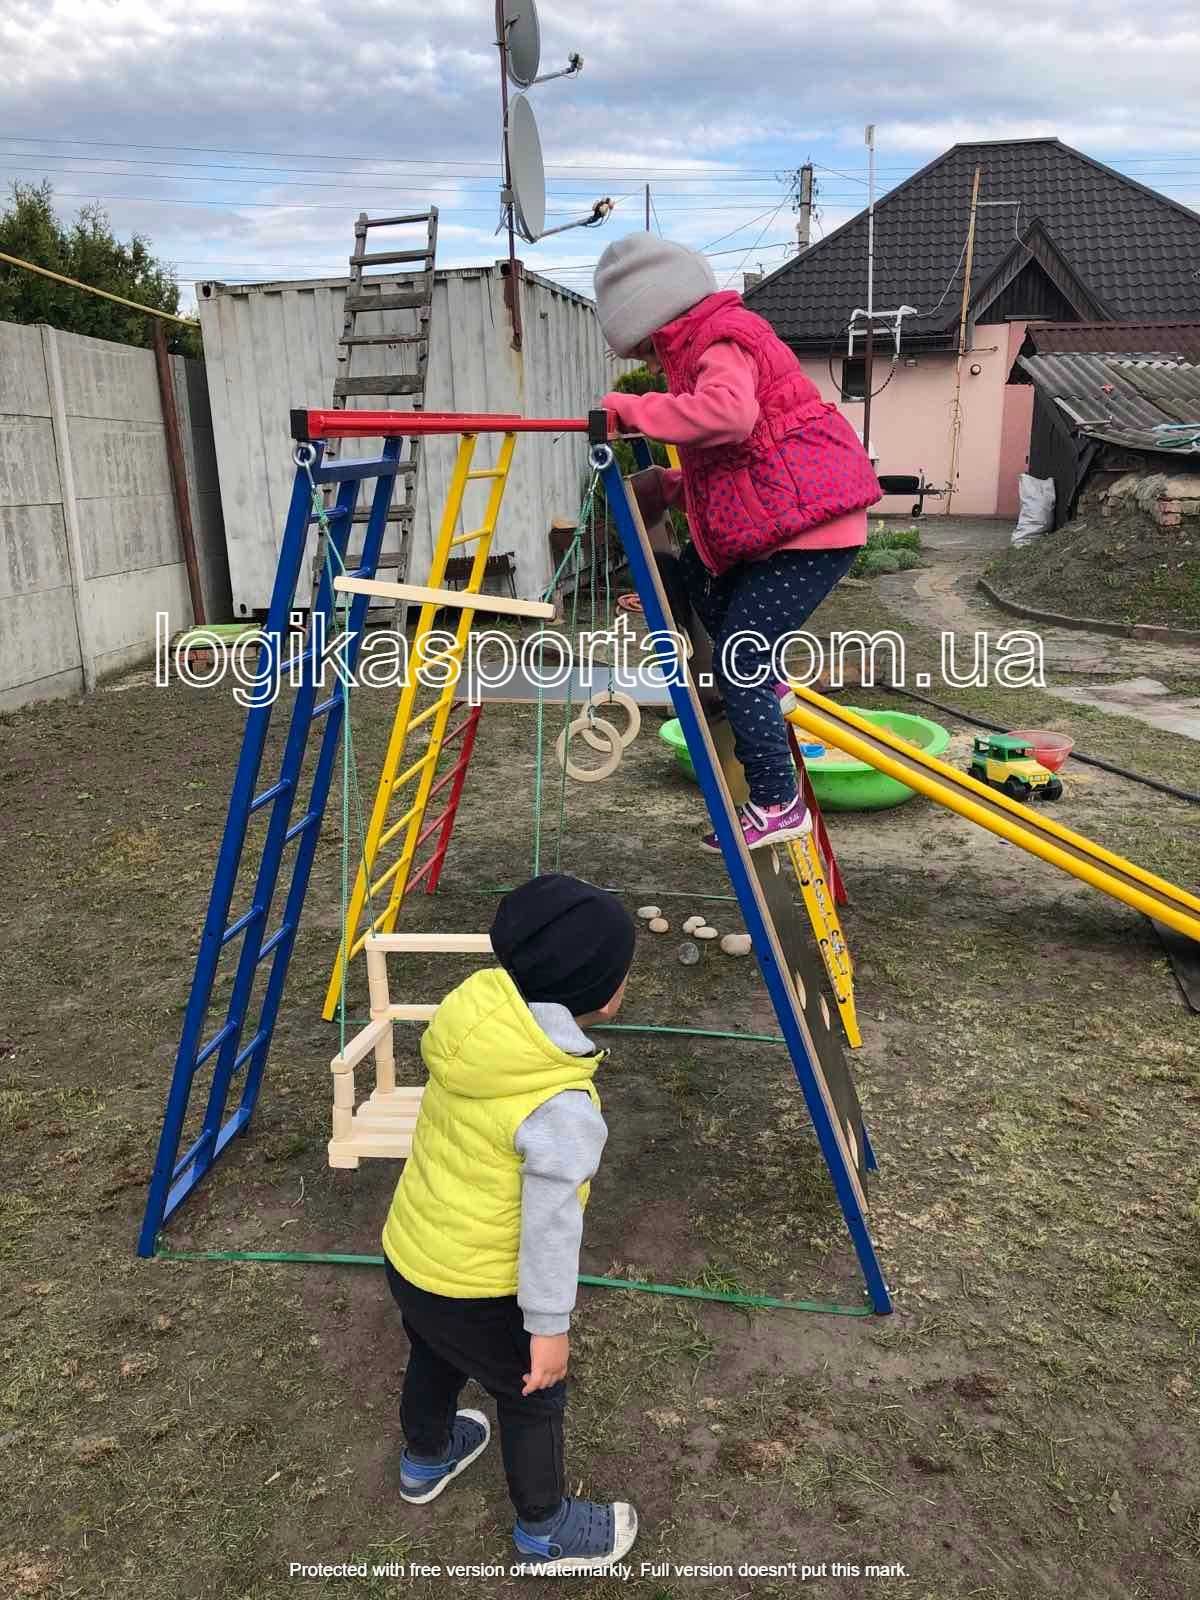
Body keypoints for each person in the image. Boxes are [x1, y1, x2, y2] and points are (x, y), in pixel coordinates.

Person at [381, 874, 638, 1574]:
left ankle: (426, 1455)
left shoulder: (476, 1025)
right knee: (532, 1394)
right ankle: (543, 1527)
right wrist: (548, 1330)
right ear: (596, 994)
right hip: (478, 1287)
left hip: (412, 1255)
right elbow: (550, 1232)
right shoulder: (560, 1105)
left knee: (433, 1351)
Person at [595, 235, 881, 852]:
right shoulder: (713, 339)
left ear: (657, 314)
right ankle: (766, 683)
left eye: (645, 345)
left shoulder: (722, 339)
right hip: (793, 523)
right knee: (703, 571)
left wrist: (638, 409)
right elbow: (746, 455)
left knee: (737, 660)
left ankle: (778, 803)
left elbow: (729, 418)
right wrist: (674, 486)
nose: (649, 357)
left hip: (813, 531)